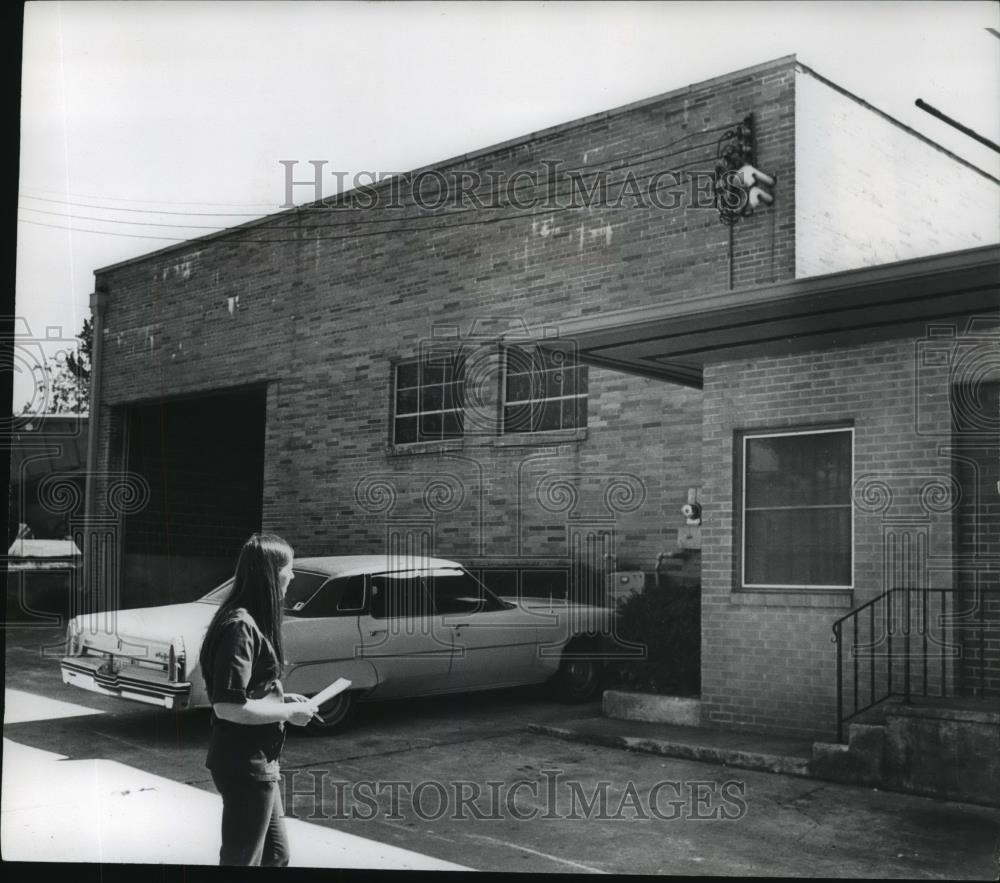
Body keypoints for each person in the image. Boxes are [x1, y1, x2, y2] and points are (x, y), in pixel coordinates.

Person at [198, 532, 319, 866]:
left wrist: (281, 699)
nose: (292, 576)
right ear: (269, 574)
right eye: (287, 570)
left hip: (259, 761)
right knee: (243, 861)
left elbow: (250, 689)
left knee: (276, 857)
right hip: (245, 764)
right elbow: (228, 706)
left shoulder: (247, 619)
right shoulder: (240, 626)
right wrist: (289, 712)